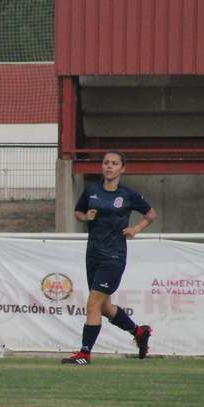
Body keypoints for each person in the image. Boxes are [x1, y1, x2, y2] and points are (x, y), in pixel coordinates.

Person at [61, 150, 157, 365]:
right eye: (106, 163)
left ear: (122, 168)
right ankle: (139, 331)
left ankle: (84, 354)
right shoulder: (92, 190)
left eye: (114, 163)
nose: (109, 167)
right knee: (104, 307)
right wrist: (85, 216)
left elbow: (151, 214)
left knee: (93, 304)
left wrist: (136, 228)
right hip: (93, 254)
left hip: (113, 256)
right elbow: (78, 212)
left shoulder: (128, 194)